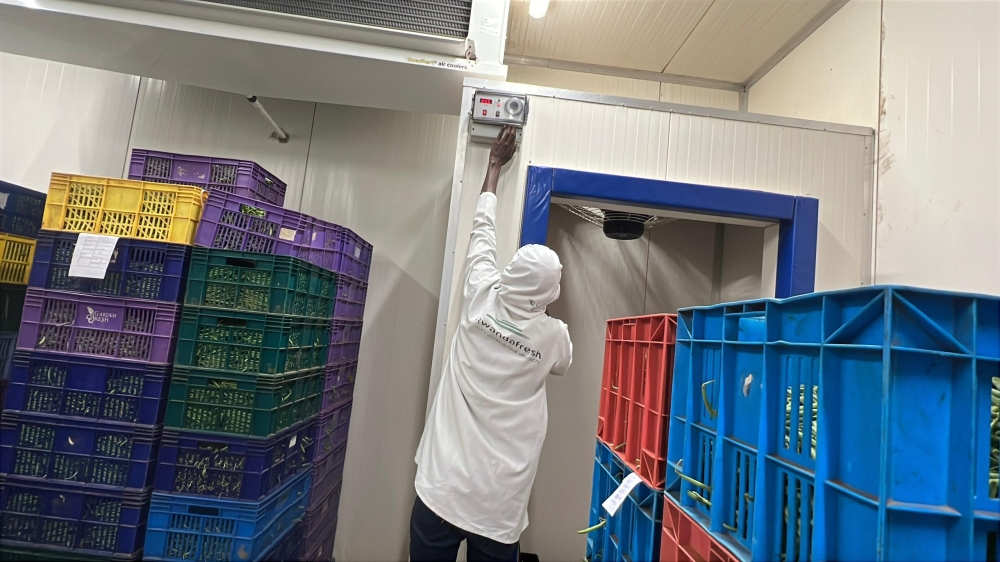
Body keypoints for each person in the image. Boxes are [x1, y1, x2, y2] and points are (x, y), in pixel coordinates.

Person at [411, 125, 574, 561]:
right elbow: (563, 364)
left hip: (441, 488)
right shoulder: (553, 337)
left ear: (511, 272)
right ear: (550, 293)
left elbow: (482, 230)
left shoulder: (479, 294)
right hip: (498, 505)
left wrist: (494, 165)